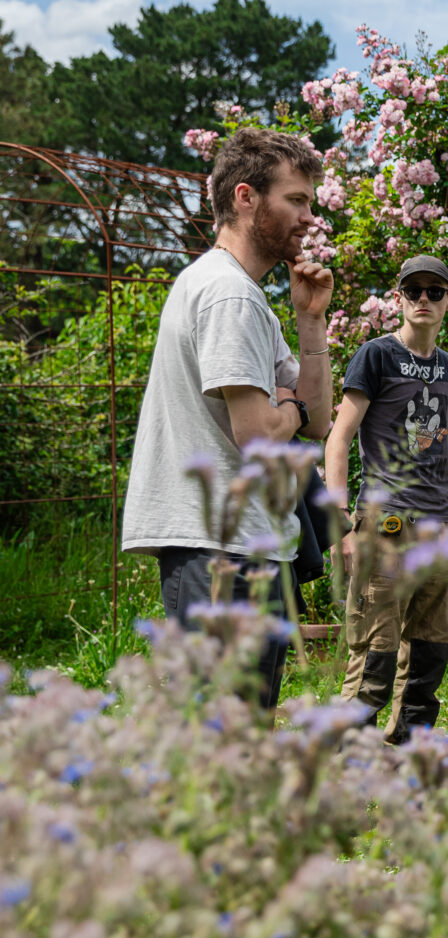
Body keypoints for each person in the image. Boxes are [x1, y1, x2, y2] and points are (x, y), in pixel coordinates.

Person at [121, 127, 333, 709]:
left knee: (232, 732)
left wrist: (311, 322)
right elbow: (261, 433)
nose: (308, 217)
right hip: (226, 552)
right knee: (227, 737)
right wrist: (288, 406)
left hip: (240, 547)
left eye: (309, 203)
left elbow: (318, 422)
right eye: (296, 200)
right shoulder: (228, 295)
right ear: (246, 198)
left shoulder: (243, 295)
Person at [323, 255, 448, 742]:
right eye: (414, 291)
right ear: (399, 298)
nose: (423, 299)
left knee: (429, 656)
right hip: (385, 524)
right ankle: (337, 770)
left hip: (439, 530)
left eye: (434, 291)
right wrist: (340, 522)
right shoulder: (376, 356)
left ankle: (403, 760)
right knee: (375, 658)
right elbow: (339, 438)